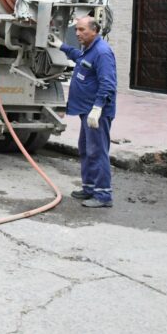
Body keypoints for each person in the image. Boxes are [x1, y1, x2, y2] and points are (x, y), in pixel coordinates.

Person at [48, 16, 117, 208]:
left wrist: (98, 107)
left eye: (82, 30)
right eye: (76, 29)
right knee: (86, 149)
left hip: (97, 112)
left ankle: (103, 195)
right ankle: (89, 187)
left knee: (97, 150)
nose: (77, 33)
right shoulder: (89, 50)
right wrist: (62, 46)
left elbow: (108, 83)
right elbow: (79, 58)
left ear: (94, 31)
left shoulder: (102, 53)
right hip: (86, 110)